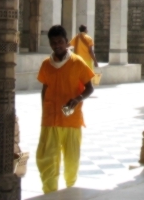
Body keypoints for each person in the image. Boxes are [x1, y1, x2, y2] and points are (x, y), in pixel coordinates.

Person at [36, 25, 94, 193]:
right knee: (47, 158)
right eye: (53, 42)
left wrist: (78, 99)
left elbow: (89, 88)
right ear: (50, 44)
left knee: (71, 159)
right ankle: (49, 192)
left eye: (60, 41)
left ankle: (70, 191)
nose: (57, 45)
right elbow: (45, 88)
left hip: (71, 118)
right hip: (50, 119)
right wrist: (44, 111)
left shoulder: (77, 62)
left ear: (66, 42)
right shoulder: (47, 64)